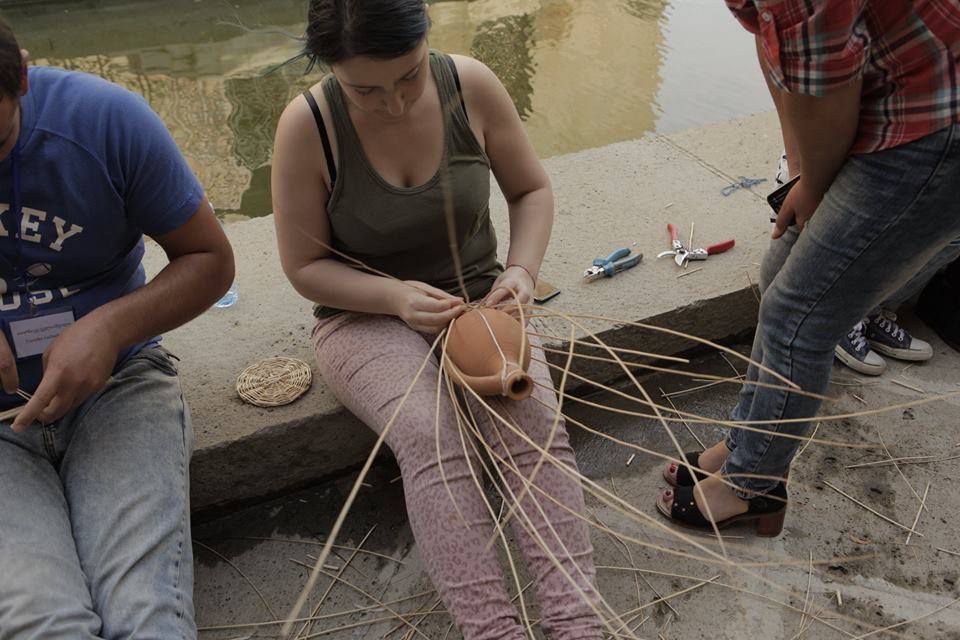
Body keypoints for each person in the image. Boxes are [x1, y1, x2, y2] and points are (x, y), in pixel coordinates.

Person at [271, 1, 602, 638]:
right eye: (365, 89)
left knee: (531, 418)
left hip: (480, 302)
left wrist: (521, 272)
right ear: (331, 68)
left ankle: (577, 624)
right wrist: (395, 297)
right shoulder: (307, 126)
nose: (394, 103)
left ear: (426, 38)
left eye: (409, 75)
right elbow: (304, 266)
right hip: (362, 316)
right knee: (429, 432)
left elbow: (530, 190)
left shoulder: (470, 85)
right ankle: (491, 629)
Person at [657, 0, 960, 536]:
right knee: (779, 275)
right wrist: (798, 170)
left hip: (935, 125)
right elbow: (776, 49)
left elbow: (826, 96)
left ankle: (754, 485)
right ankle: (746, 444)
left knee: (800, 317)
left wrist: (815, 185)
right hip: (890, 102)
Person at [0, 19, 234, 639]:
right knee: (40, 622)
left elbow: (210, 260)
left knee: (146, 612)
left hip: (117, 388)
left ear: (22, 79)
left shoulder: (104, 120)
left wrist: (107, 328)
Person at [773, 153, 960, 376]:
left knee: (951, 227)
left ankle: (868, 310)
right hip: (829, 178)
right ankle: (837, 319)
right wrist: (804, 180)